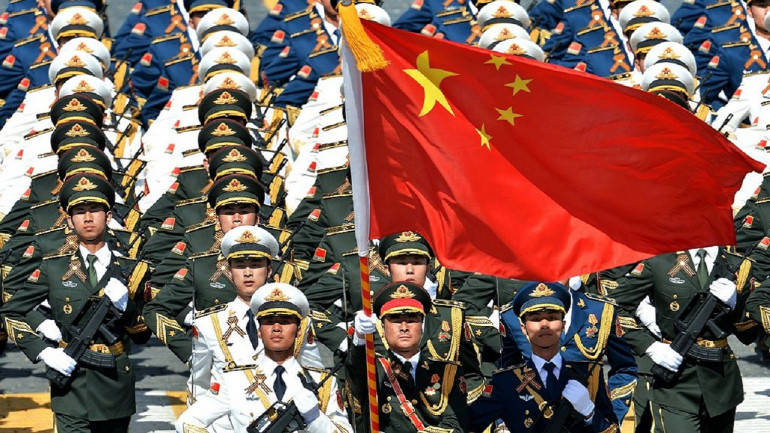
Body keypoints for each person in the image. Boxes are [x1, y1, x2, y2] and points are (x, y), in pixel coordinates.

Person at [0, 173, 150, 433]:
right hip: (70, 380)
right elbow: (12, 310)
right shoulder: (54, 268)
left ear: (109, 216)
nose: (88, 218)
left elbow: (142, 335)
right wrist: (43, 351)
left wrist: (126, 307)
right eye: (79, 212)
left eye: (95, 210)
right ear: (69, 221)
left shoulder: (130, 269)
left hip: (114, 382)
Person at [613, 247, 760, 433]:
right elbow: (614, 306)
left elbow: (750, 334)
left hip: (720, 382)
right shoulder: (660, 262)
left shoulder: (738, 265)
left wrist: (736, 304)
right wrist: (650, 346)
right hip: (675, 380)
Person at [176, 280, 351, 433]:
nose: (276, 328)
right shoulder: (235, 380)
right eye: (268, 322)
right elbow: (187, 423)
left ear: (299, 330)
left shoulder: (322, 382)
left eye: (285, 322)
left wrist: (315, 418)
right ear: (259, 331)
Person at [470, 282, 618, 433]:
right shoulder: (507, 381)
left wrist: (590, 413)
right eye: (535, 319)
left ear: (563, 325)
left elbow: (612, 429)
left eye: (552, 318)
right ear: (523, 328)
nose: (544, 325)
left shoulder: (590, 376)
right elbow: (466, 424)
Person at [349, 281, 470, 432]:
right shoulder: (373, 369)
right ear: (383, 326)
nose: (404, 327)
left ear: (422, 325)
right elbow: (355, 372)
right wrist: (360, 337)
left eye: (412, 320)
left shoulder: (448, 372)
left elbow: (457, 425)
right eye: (395, 320)